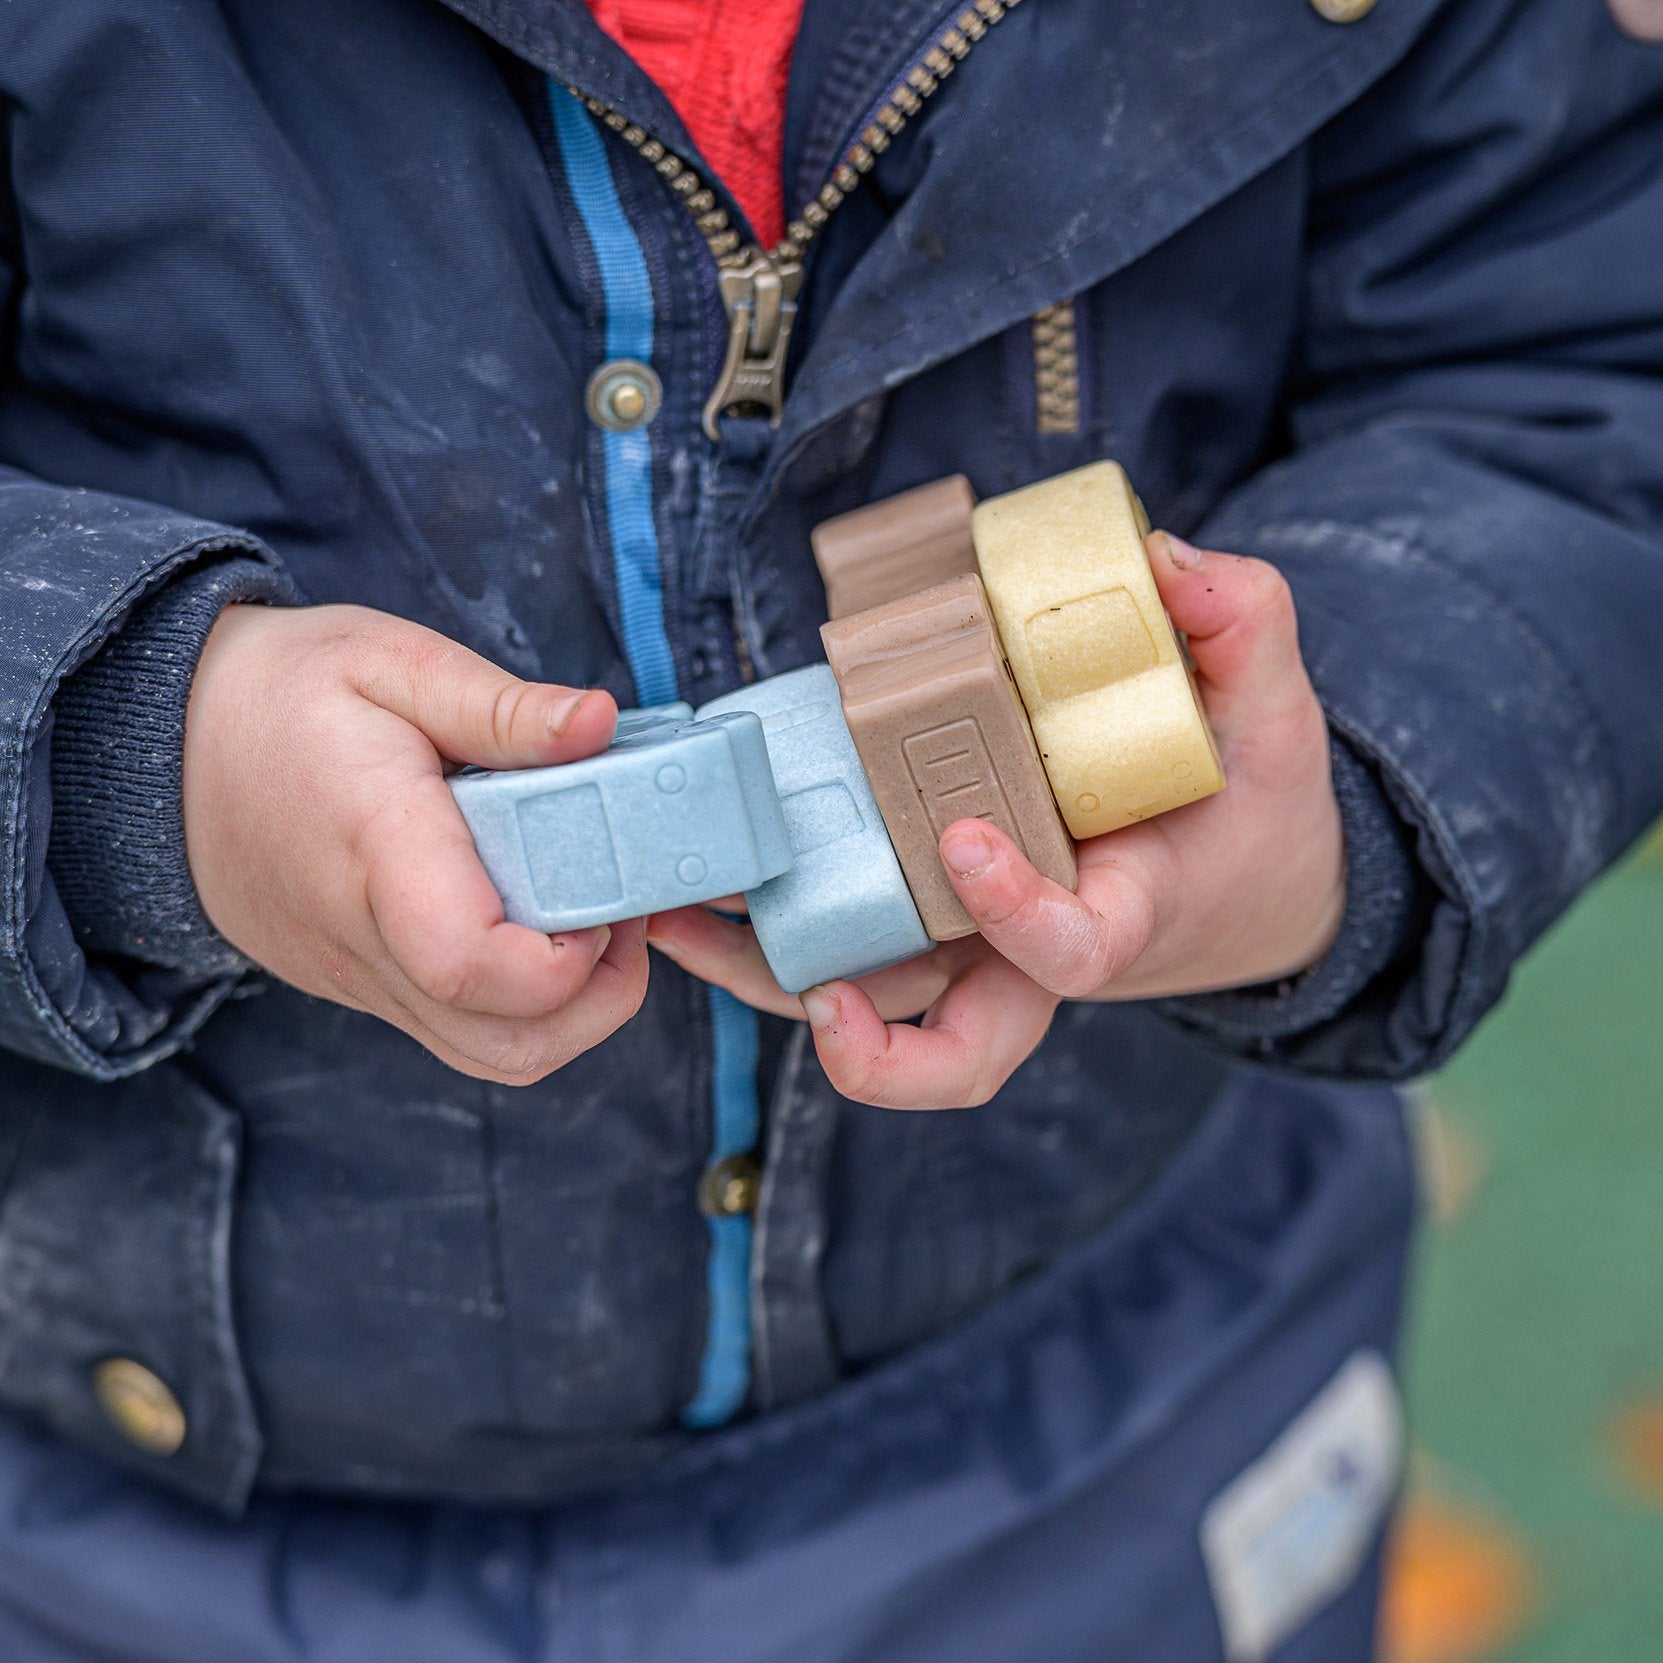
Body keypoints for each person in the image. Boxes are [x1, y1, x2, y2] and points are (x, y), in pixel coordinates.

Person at [0, 0, 1658, 1657]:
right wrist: (137, 757)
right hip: (136, 1525)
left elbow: (1571, 352)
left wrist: (1347, 793)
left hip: (1126, 1409)